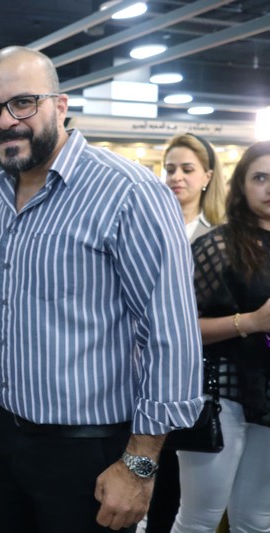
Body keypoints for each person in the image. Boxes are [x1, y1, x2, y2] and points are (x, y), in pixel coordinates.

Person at [0, 46, 203, 533]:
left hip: (88, 451)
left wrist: (139, 465)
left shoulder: (128, 191)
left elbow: (171, 336)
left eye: (23, 102)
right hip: (7, 438)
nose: (5, 121)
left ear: (60, 105)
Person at [171, 140, 270, 533]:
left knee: (257, 520)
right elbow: (180, 328)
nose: (269, 187)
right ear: (241, 185)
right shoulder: (217, 245)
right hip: (219, 396)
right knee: (199, 519)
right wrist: (251, 322)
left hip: (267, 400)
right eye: (260, 178)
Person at [145, 132, 226, 533]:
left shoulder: (222, 236)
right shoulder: (149, 226)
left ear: (207, 176)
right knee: (151, 474)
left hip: (200, 373)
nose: (176, 177)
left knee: (185, 485)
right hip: (147, 364)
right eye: (170, 169)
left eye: (187, 169)